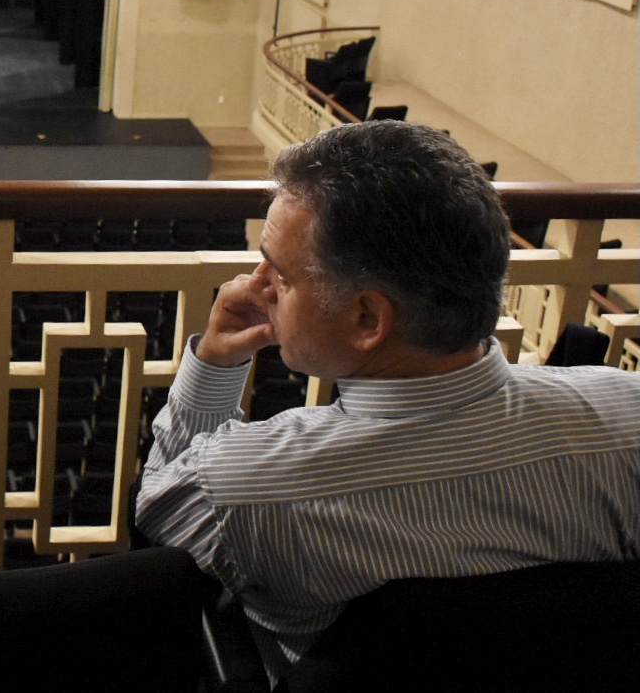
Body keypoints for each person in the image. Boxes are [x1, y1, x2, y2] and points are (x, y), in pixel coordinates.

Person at [134, 121, 640, 682]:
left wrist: (214, 363)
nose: (257, 285)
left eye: (279, 272)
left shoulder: (240, 486)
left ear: (368, 319)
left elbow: (157, 527)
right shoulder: (631, 421)